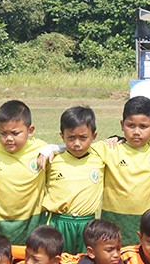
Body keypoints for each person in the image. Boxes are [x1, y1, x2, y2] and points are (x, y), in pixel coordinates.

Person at [0, 100, 48, 244]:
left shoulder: (41, 150)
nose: (9, 139)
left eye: (15, 133)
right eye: (3, 133)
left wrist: (50, 150)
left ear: (30, 130)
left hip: (32, 224)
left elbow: (70, 149)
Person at [98, 97, 150, 240]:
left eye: (143, 127)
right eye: (131, 126)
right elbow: (75, 146)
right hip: (114, 220)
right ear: (122, 125)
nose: (136, 132)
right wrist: (50, 149)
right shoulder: (109, 149)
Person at [41, 106, 104, 254]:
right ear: (62, 136)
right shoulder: (52, 158)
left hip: (87, 223)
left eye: (83, 138)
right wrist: (48, 149)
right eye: (71, 137)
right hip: (58, 221)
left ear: (94, 136)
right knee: (55, 263)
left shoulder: (100, 157)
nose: (77, 143)